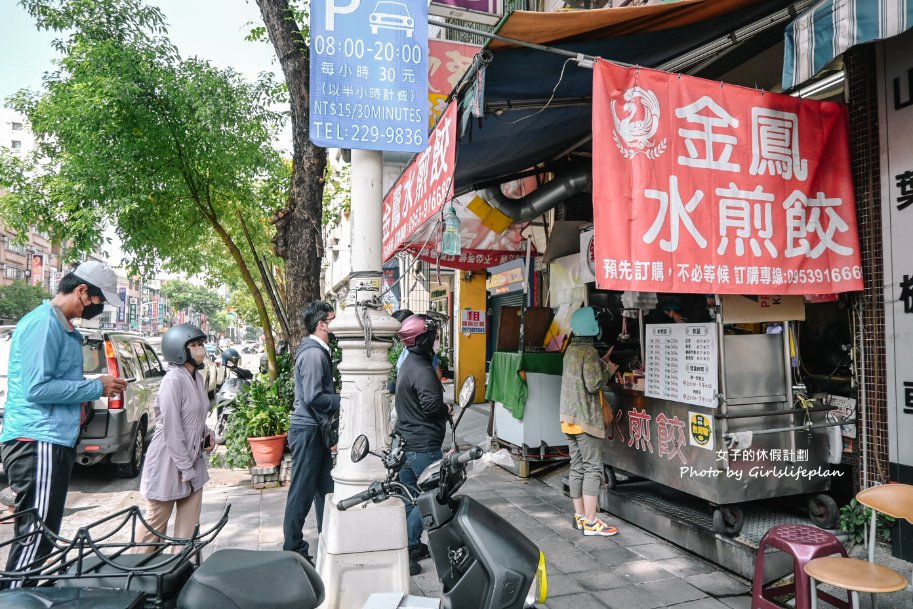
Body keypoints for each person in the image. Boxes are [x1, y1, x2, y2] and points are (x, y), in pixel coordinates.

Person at [0, 261, 127, 582]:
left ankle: (23, 596)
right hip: (36, 440)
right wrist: (95, 386)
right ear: (82, 290)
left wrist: (90, 387)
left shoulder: (63, 327)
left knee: (43, 536)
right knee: (35, 538)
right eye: (99, 301)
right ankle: (15, 598)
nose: (98, 308)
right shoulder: (44, 324)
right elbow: (37, 387)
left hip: (52, 440)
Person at [139, 324, 214, 552]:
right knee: (154, 528)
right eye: (193, 345)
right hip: (168, 461)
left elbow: (197, 417)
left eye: (200, 344)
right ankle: (137, 577)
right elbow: (172, 430)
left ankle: (179, 575)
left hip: (193, 459)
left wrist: (207, 434)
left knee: (188, 533)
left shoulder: (196, 378)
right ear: (178, 350)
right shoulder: (172, 381)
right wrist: (185, 468)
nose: (199, 349)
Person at [283, 301, 340, 563]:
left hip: (314, 429)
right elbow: (315, 396)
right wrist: (344, 399)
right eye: (333, 319)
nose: (336, 324)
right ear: (321, 324)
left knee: (325, 489)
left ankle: (328, 536)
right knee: (303, 491)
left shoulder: (316, 351)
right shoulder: (314, 354)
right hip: (308, 430)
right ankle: (293, 548)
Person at [394, 314, 451, 575]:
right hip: (422, 446)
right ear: (423, 339)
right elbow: (430, 406)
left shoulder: (408, 364)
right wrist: (445, 408)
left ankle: (411, 544)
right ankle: (407, 546)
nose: (437, 340)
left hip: (407, 444)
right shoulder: (423, 370)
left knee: (409, 498)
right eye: (434, 336)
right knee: (431, 496)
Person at [560, 306, 619, 537]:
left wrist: (601, 363)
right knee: (593, 469)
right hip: (585, 420)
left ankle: (580, 516)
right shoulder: (589, 352)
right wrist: (609, 369)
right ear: (593, 328)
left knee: (577, 467)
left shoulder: (570, 351)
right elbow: (594, 384)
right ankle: (592, 521)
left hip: (567, 419)